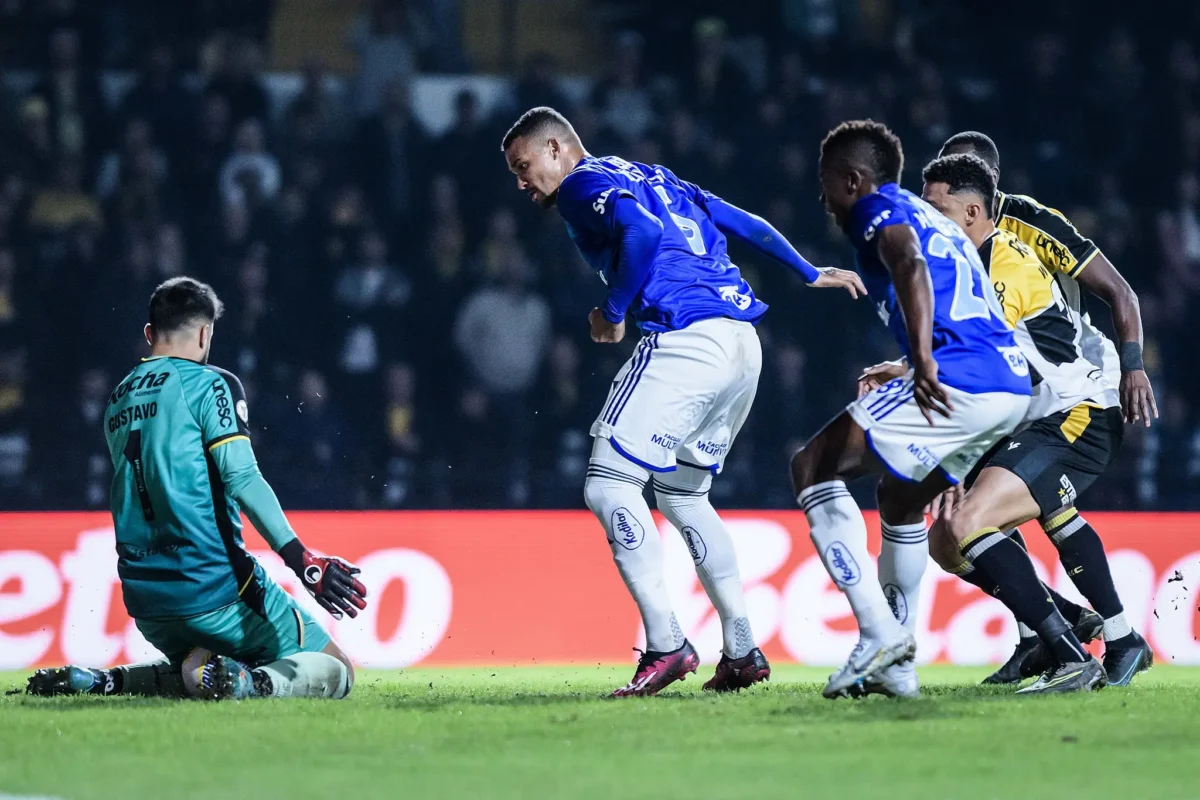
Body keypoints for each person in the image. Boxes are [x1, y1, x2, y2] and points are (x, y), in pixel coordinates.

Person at [500, 106, 865, 697]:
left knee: (608, 484)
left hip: (686, 338)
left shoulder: (580, 184)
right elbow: (737, 218)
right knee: (682, 493)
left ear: (556, 150)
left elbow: (640, 234)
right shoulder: (659, 176)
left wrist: (614, 313)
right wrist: (804, 269)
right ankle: (742, 648)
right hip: (743, 343)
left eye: (523, 167)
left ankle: (666, 643)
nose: (522, 183)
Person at [792, 120, 1103, 700]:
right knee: (900, 498)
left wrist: (922, 360)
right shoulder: (932, 216)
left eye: (828, 183)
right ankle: (898, 663)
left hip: (957, 375)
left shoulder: (876, 211)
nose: (825, 199)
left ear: (854, 179)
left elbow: (907, 264)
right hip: (1006, 385)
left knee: (811, 466)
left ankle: (880, 636)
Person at [26, 277, 367, 701]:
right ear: (205, 333)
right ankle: (256, 684)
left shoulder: (117, 399)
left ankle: (103, 681)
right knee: (337, 668)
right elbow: (242, 478)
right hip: (215, 587)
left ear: (150, 334)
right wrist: (304, 561)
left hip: (147, 601)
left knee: (200, 668)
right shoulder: (211, 384)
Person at [909, 153, 1151, 690]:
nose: (924, 219)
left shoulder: (1004, 265)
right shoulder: (966, 263)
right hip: (1032, 415)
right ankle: (1097, 630)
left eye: (935, 207)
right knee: (946, 541)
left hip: (1077, 412)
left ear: (973, 211)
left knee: (970, 522)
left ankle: (1068, 654)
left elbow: (974, 368)